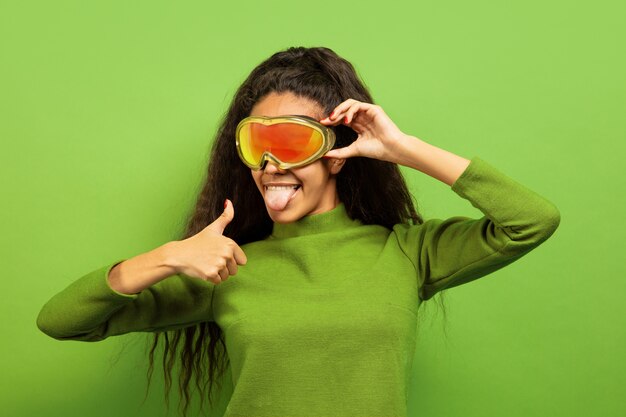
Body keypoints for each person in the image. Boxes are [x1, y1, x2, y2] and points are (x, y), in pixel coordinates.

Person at [36, 46, 561, 417]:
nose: (269, 165)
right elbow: (60, 321)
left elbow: (531, 220)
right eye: (256, 145)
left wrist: (403, 149)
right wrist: (170, 256)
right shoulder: (225, 267)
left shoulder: (405, 252)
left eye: (291, 143)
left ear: (337, 153)